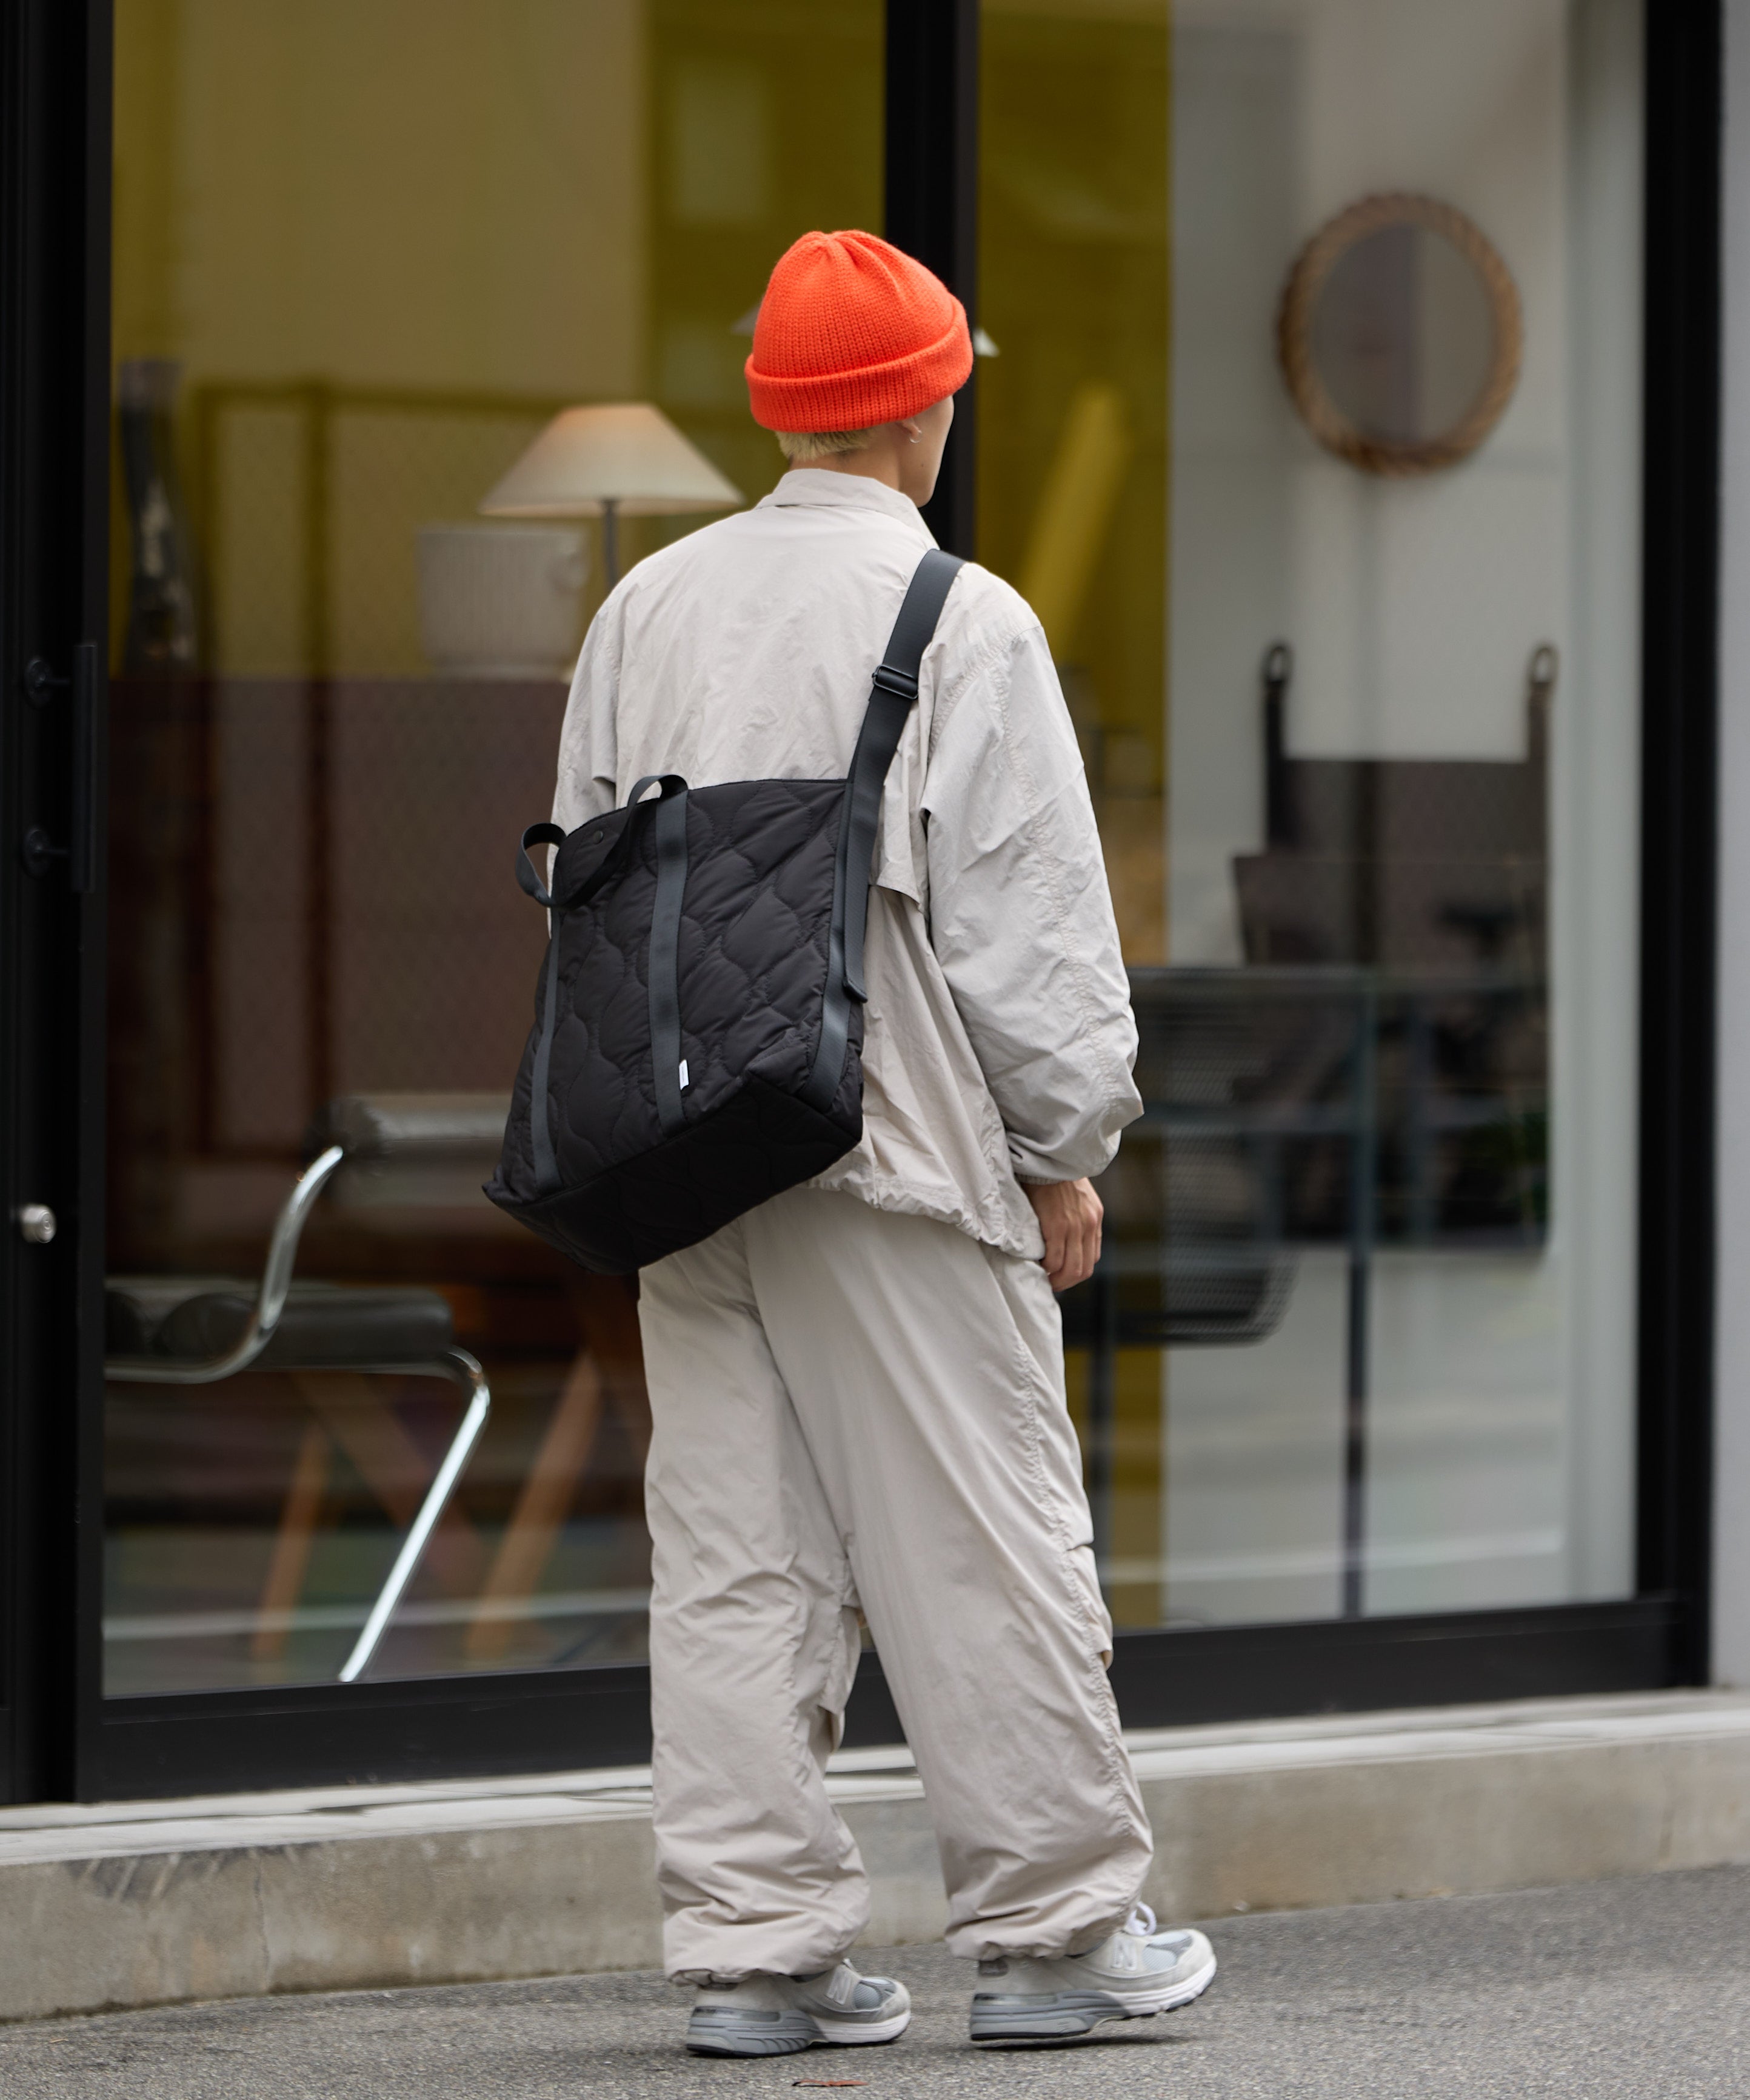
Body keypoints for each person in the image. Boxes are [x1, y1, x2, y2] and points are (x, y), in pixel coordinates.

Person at [551, 228, 1217, 2057]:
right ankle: (1063, 1933)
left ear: (778, 402)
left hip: (689, 1157)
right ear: (922, 404)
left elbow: (589, 888)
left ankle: (757, 1955)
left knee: (738, 1549)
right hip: (897, 1146)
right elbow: (1033, 934)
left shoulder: (645, 610)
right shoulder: (961, 620)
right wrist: (1064, 1142)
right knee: (980, 1537)